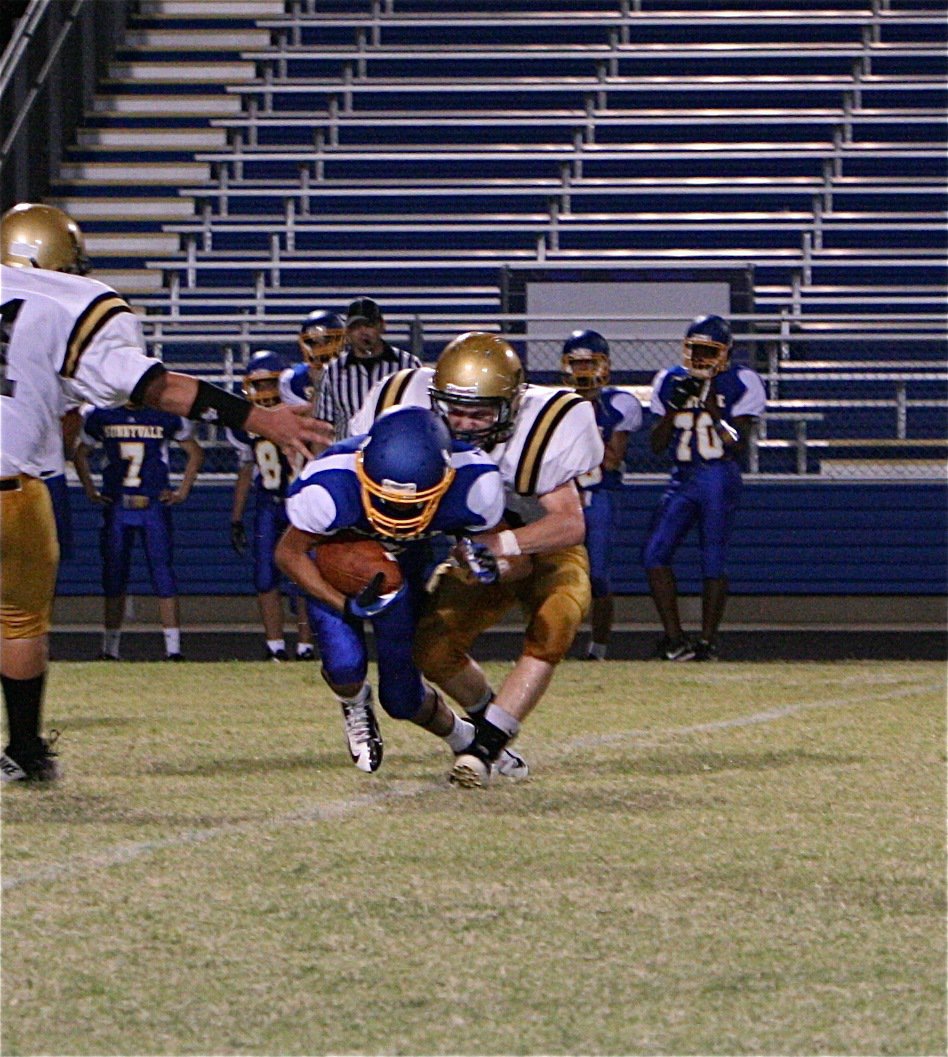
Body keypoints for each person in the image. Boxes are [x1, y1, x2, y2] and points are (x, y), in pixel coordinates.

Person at [0, 202, 325, 783]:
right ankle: (24, 752)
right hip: (9, 490)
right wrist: (261, 419)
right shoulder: (74, 301)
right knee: (19, 620)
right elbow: (156, 387)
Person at [350, 331, 605, 788]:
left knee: (557, 617)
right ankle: (491, 735)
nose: (465, 423)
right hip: (473, 546)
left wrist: (503, 545)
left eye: (480, 412)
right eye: (456, 410)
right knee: (431, 648)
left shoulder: (541, 429)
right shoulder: (407, 414)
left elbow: (570, 524)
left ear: (511, 404)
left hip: (538, 543)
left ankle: (484, 750)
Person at [275, 405, 508, 775]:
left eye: (415, 501)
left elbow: (484, 544)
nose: (398, 514)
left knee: (401, 698)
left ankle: (466, 739)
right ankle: (353, 702)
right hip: (342, 558)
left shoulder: (475, 483)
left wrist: (477, 556)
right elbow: (289, 554)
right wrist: (345, 605)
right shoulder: (330, 486)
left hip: (406, 564)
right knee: (345, 666)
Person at [642, 314, 766, 661]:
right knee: (654, 555)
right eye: (694, 349)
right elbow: (655, 445)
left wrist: (712, 410)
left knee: (712, 558)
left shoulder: (743, 380)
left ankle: (708, 641)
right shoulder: (669, 380)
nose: (699, 357)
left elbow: (738, 441)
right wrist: (672, 410)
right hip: (681, 476)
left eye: (708, 350)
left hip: (718, 476)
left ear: (725, 352)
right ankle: (675, 639)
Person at [72, 403, 205, 661]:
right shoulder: (101, 414)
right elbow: (80, 454)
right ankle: (111, 649)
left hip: (150, 502)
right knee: (114, 576)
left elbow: (195, 452)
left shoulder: (165, 414)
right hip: (120, 504)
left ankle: (173, 650)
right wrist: (90, 489)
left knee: (162, 574)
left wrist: (182, 491)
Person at [561, 329, 643, 660]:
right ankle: (551, 641)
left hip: (600, 495)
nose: (582, 371)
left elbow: (611, 460)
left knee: (597, 575)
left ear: (604, 366)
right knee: (555, 574)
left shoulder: (618, 404)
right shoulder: (553, 404)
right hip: (564, 498)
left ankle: (599, 646)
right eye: (576, 364)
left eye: (589, 364)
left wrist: (587, 414)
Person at [229, 350, 315, 661]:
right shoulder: (246, 420)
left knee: (304, 578)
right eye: (258, 385)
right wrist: (236, 517)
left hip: (300, 504)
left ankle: (305, 646)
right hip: (267, 502)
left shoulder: (300, 413)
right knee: (265, 577)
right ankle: (275, 645)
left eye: (271, 384)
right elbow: (246, 468)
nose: (264, 392)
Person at [312, 297, 421, 447]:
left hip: (398, 453)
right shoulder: (333, 372)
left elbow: (423, 415)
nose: (362, 332)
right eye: (356, 327)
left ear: (382, 326)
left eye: (368, 325)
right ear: (348, 332)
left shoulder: (409, 365)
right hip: (349, 459)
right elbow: (323, 429)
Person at [279, 308, 345, 412]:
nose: (320, 348)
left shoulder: (357, 373)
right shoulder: (291, 379)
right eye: (313, 342)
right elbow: (305, 418)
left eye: (327, 341)